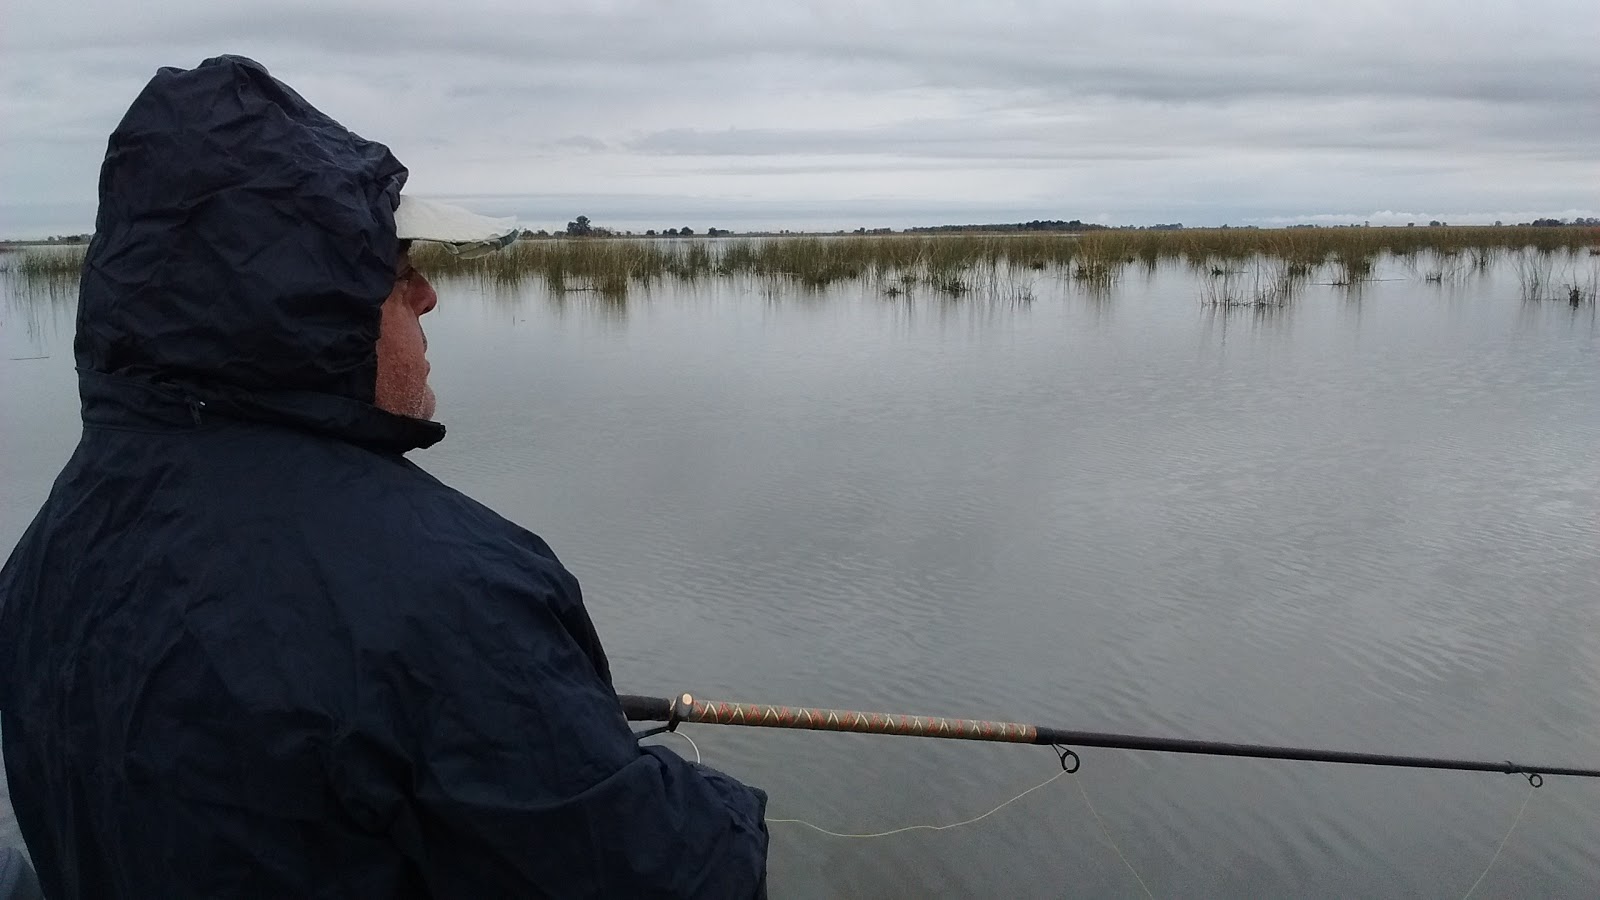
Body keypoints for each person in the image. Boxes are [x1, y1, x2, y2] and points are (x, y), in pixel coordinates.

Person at [0, 55, 769, 898]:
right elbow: (684, 879)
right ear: (307, 307)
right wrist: (719, 809)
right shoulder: (450, 599)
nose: (428, 296)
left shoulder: (45, 554)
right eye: (399, 271)